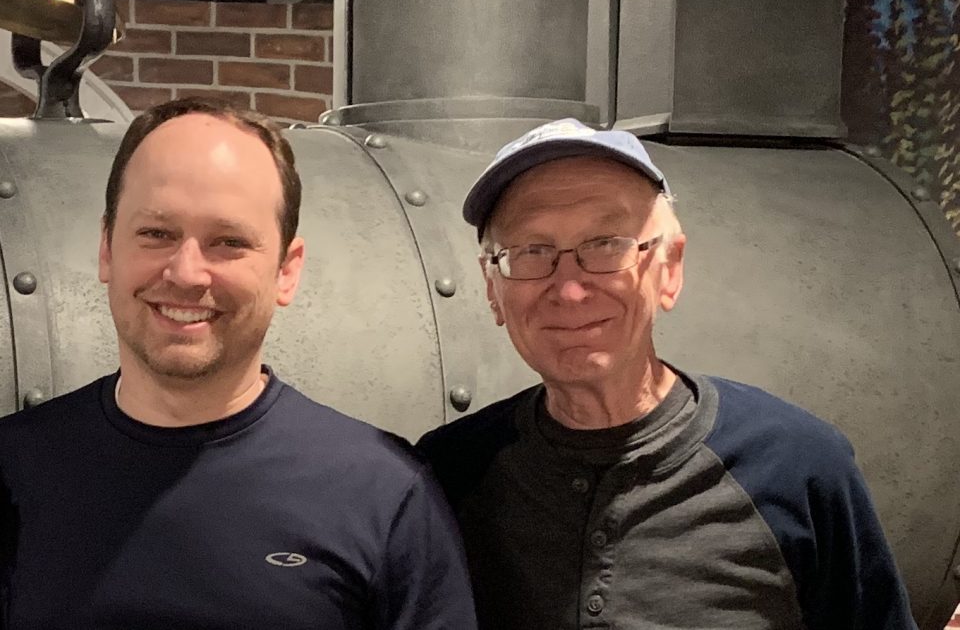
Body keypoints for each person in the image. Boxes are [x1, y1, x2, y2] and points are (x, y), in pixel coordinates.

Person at [416, 118, 916, 630]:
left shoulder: (797, 466)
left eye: (607, 244)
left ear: (669, 269)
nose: (568, 289)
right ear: (492, 288)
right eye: (531, 252)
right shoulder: (447, 474)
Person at [0, 97, 476, 630]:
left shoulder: (383, 492)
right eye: (157, 233)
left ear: (286, 271)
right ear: (108, 247)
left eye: (229, 242)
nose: (186, 273)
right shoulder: (13, 466)